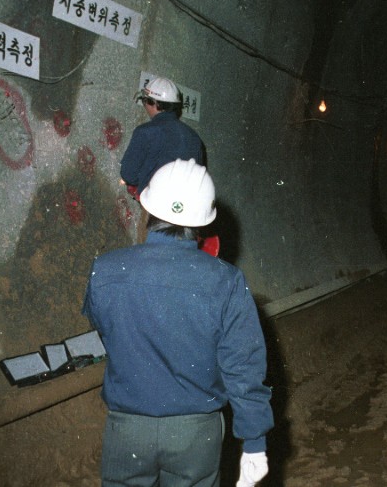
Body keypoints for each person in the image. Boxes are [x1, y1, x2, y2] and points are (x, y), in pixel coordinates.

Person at [83, 159, 273, 487]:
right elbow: (243, 366)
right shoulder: (225, 281)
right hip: (195, 434)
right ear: (203, 222)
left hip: (128, 431)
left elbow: (105, 329)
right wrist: (254, 442)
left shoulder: (107, 269)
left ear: (147, 207)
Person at [120, 76, 206, 242]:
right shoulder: (194, 138)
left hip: (157, 208)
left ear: (155, 104)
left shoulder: (145, 132)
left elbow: (128, 174)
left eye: (146, 101)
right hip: (187, 211)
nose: (144, 105)